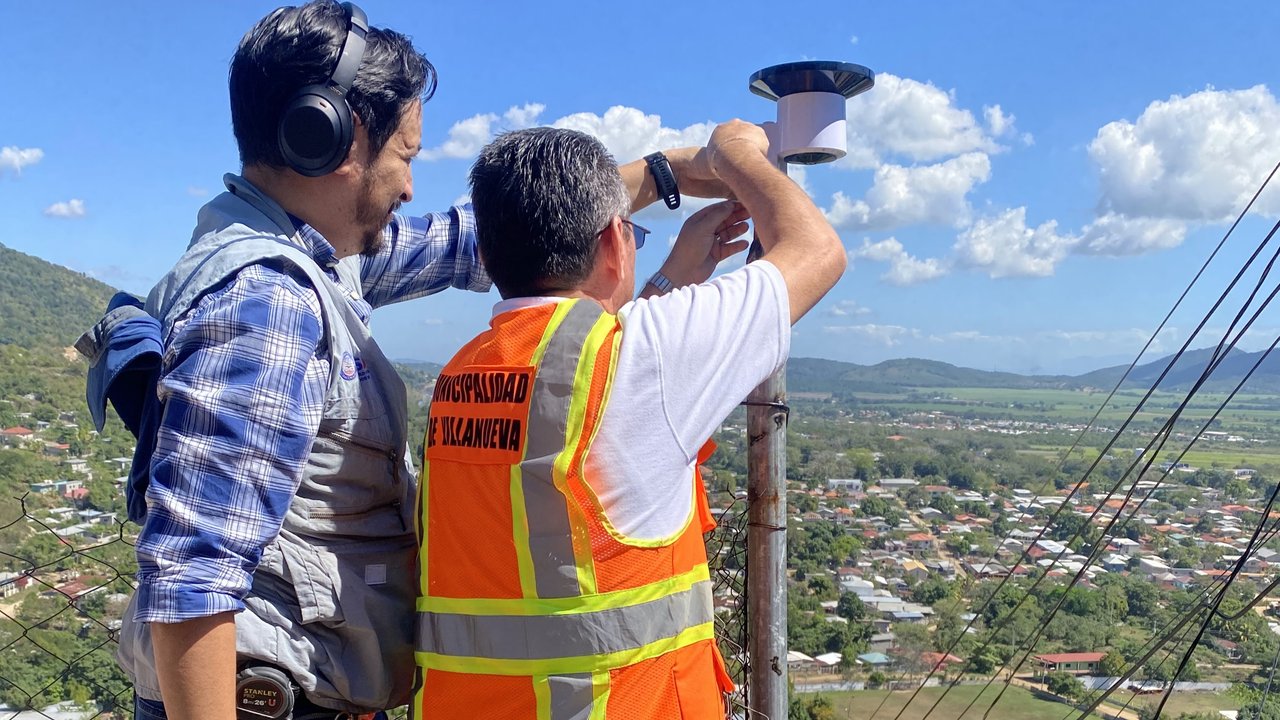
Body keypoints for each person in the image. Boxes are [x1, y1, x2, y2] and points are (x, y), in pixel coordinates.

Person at [91, 2, 732, 718]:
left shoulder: (310, 255)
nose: (408, 187)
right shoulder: (269, 301)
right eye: (407, 155)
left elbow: (492, 236)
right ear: (332, 137)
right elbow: (192, 578)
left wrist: (666, 174)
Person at [416, 121, 846, 718]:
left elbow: (597, 387)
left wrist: (674, 276)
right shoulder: (638, 361)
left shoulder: (465, 372)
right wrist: (735, 154)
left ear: (486, 256)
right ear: (616, 243)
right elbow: (818, 252)